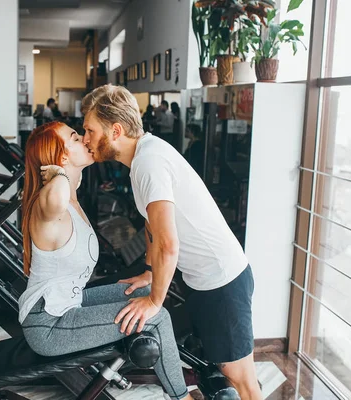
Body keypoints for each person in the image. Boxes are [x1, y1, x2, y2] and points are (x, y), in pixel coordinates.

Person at [81, 84, 262, 400]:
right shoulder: (143, 157)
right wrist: (150, 271)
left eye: (89, 131)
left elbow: (168, 243)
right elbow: (153, 229)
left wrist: (153, 300)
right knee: (224, 371)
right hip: (205, 281)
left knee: (241, 379)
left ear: (115, 131)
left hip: (223, 280)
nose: (85, 139)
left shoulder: (149, 163)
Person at [18, 121, 194, 400]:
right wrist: (61, 173)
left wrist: (66, 174)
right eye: (75, 138)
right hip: (50, 323)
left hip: (69, 303)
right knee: (156, 315)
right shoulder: (50, 200)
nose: (84, 140)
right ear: (62, 157)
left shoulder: (71, 199)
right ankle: (181, 397)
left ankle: (171, 366)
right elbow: (55, 196)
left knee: (143, 293)